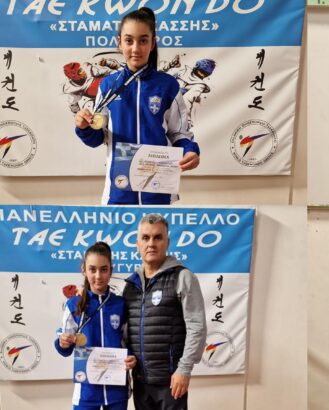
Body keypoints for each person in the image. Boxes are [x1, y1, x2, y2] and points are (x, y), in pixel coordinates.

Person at [73, 7, 200, 205]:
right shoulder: (108, 85)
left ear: (152, 43)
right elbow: (97, 137)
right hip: (118, 192)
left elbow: (179, 133)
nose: (135, 48)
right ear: (119, 43)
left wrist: (190, 151)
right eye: (129, 40)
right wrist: (84, 127)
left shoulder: (167, 85)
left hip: (159, 191)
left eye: (143, 40)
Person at [123, 214, 206, 410]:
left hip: (171, 382)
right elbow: (126, 331)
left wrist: (184, 369)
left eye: (158, 237)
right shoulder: (130, 285)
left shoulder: (183, 277)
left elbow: (197, 327)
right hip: (141, 382)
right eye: (145, 238)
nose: (151, 243)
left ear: (167, 242)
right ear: (137, 244)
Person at [54, 241, 136, 410]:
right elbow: (64, 348)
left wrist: (131, 357)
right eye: (92, 269)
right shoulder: (74, 305)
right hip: (86, 392)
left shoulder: (120, 304)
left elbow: (129, 341)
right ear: (84, 269)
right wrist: (63, 342)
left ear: (111, 270)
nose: (98, 276)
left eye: (103, 269)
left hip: (116, 391)